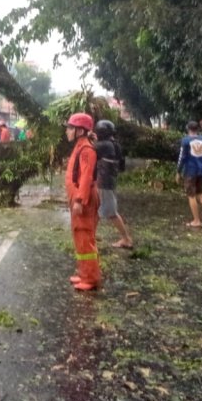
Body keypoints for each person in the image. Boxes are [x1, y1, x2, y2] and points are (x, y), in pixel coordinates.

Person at [65, 113, 101, 291]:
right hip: (78, 197)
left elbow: (86, 177)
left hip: (83, 199)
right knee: (80, 237)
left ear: (80, 131)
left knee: (85, 236)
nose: (67, 131)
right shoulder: (80, 146)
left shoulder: (86, 149)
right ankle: (83, 273)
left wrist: (79, 200)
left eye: (70, 128)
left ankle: (90, 278)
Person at [94, 119, 133, 248]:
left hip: (104, 183)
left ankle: (126, 239)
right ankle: (91, 234)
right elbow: (122, 166)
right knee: (96, 209)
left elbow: (89, 148)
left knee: (111, 213)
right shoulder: (115, 144)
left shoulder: (103, 145)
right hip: (110, 180)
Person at [177, 121, 202, 227]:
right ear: (197, 129)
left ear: (188, 129)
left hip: (190, 171)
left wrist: (178, 171)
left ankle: (196, 220)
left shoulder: (185, 141)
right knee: (200, 193)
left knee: (191, 195)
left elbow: (182, 157)